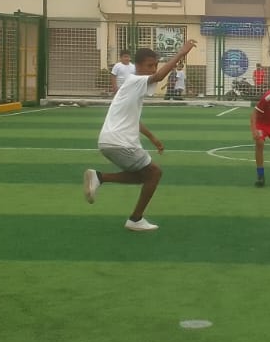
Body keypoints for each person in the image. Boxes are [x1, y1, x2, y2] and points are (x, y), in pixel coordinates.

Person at [83, 41, 196, 232]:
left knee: (144, 176)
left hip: (110, 141)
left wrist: (153, 138)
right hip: (120, 142)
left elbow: (133, 120)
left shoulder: (132, 86)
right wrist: (180, 53)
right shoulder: (135, 80)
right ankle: (135, 219)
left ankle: (100, 177)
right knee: (155, 173)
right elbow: (159, 77)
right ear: (137, 66)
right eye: (149, 65)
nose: (153, 69)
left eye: (155, 65)